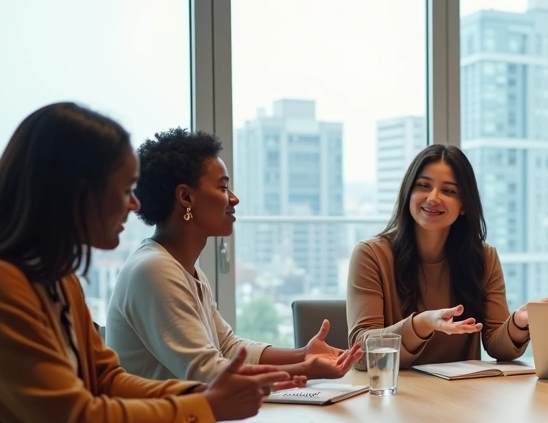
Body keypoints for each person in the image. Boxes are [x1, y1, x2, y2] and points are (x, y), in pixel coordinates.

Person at [0, 104, 300, 423]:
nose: (134, 203)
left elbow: (106, 380)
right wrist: (205, 405)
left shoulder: (56, 279)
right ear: (78, 191)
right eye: (125, 189)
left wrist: (202, 397)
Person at [108, 128, 361, 382]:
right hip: (161, 419)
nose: (234, 198)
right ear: (185, 197)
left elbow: (227, 346)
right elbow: (208, 371)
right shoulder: (154, 270)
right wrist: (305, 369)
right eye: (223, 187)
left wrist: (302, 354)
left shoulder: (183, 269)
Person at [347, 144, 548, 368]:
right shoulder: (371, 255)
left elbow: (496, 346)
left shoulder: (484, 257)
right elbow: (362, 351)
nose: (433, 198)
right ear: (408, 193)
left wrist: (519, 323)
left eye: (448, 191)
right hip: (395, 394)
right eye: (423, 185)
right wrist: (422, 323)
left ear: (464, 204)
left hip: (460, 396)